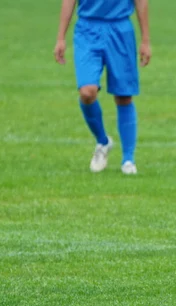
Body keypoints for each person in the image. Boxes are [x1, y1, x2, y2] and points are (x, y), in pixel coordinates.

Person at [54, 0, 151, 175]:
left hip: (120, 28)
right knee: (87, 92)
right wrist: (61, 37)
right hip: (87, 29)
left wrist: (145, 40)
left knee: (124, 96)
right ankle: (103, 141)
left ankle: (128, 159)